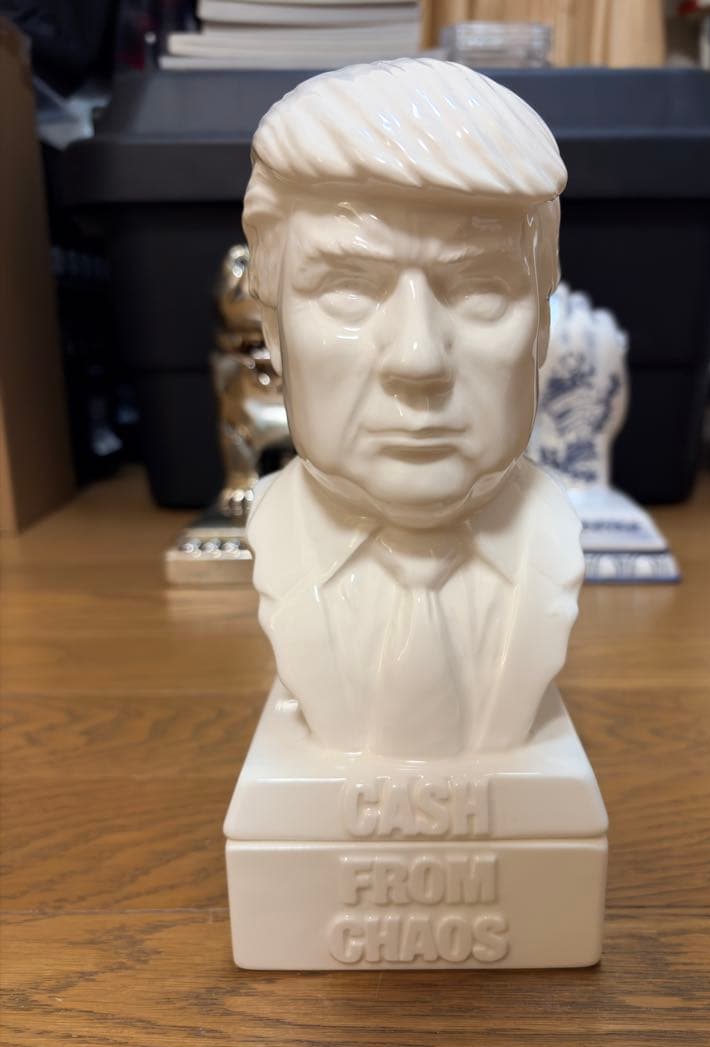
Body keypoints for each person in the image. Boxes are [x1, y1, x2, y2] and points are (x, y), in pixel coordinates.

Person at [243, 58, 583, 759]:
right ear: (274, 329)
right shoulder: (275, 539)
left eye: (481, 289)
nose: (418, 359)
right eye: (347, 288)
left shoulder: (554, 545)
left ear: (541, 327)